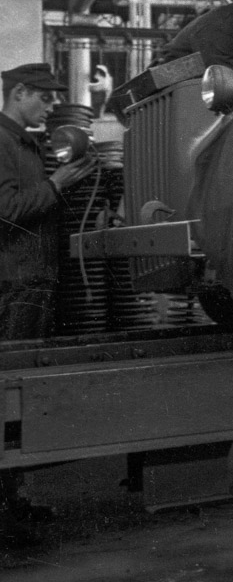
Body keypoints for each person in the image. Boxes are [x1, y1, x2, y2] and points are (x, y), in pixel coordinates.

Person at [0, 62, 95, 548]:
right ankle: (7, 509)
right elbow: (8, 213)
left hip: (32, 281)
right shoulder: (1, 143)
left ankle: (12, 501)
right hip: (17, 283)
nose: (52, 104)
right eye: (43, 96)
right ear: (19, 94)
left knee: (19, 399)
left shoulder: (24, 144)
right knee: (10, 400)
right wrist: (57, 184)